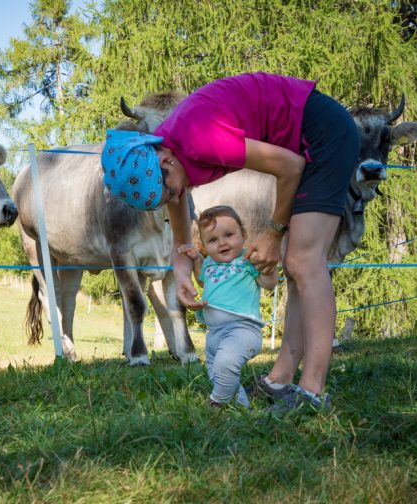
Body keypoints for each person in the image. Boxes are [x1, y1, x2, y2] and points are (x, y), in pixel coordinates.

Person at [101, 71, 360, 412]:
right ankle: (280, 380)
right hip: (299, 141)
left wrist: (273, 232)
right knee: (295, 263)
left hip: (322, 132)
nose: (174, 197)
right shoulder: (164, 150)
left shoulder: (196, 138)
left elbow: (290, 167)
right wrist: (181, 266)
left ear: (164, 161)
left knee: (303, 261)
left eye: (168, 190)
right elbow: (178, 212)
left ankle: (313, 392)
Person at [178, 205, 277, 407]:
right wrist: (197, 259)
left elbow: (269, 284)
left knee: (226, 364)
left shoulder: (247, 260)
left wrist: (268, 267)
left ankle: (217, 403)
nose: (222, 243)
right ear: (205, 244)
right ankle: (241, 409)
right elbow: (203, 281)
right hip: (213, 335)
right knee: (218, 375)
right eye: (213, 240)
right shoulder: (210, 263)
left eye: (229, 235)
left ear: (243, 235)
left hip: (242, 330)